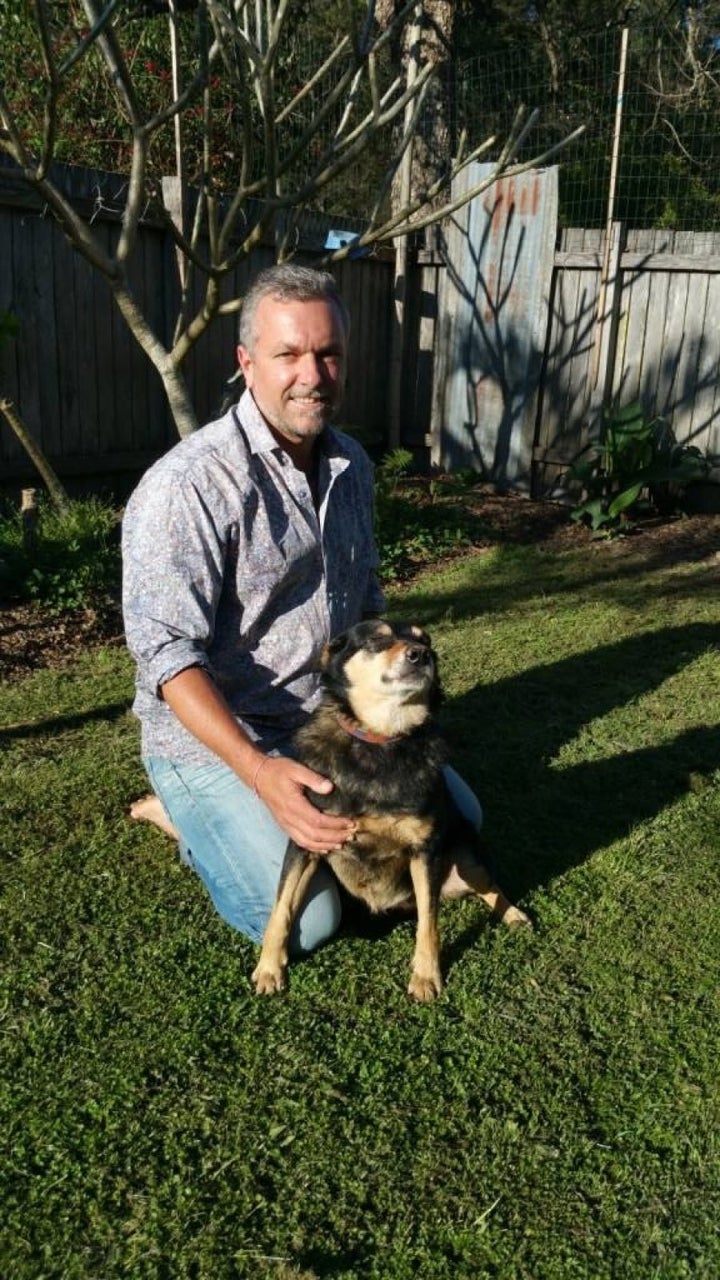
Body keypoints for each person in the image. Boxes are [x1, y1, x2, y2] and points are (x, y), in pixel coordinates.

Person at [123, 264, 481, 956]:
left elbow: (363, 603)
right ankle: (190, 821)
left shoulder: (350, 465)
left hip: (323, 726)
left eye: (328, 353)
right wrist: (259, 773)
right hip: (216, 743)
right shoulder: (189, 485)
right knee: (316, 920)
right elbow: (167, 658)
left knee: (463, 818)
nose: (312, 374)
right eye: (289, 354)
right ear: (246, 363)